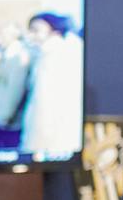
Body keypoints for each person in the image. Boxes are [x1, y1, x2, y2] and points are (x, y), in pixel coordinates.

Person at [20, 12, 84, 159]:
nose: (32, 36)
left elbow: (44, 106)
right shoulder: (46, 54)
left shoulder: (55, 56)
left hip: (50, 143)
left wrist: (35, 147)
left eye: (36, 30)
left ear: (55, 30)